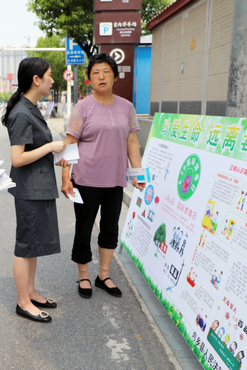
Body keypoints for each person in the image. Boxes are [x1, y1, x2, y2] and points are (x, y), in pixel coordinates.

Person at [61, 53, 145, 299]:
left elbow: (132, 141)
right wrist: (66, 177)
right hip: (86, 180)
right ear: (89, 78)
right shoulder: (81, 108)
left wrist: (137, 173)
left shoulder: (126, 107)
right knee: (84, 229)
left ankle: (104, 275)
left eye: (106, 71)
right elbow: (69, 144)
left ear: (115, 77)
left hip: (115, 180)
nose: (101, 76)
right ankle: (84, 275)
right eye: (96, 72)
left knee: (110, 229)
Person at [2, 57, 65, 323]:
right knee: (26, 245)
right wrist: (51, 148)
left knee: (34, 245)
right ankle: (23, 301)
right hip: (30, 190)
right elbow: (17, 158)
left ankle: (31, 292)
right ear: (36, 80)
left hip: (39, 187)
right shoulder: (21, 113)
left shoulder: (31, 108)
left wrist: (52, 155)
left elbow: (32, 151)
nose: (53, 79)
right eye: (49, 75)